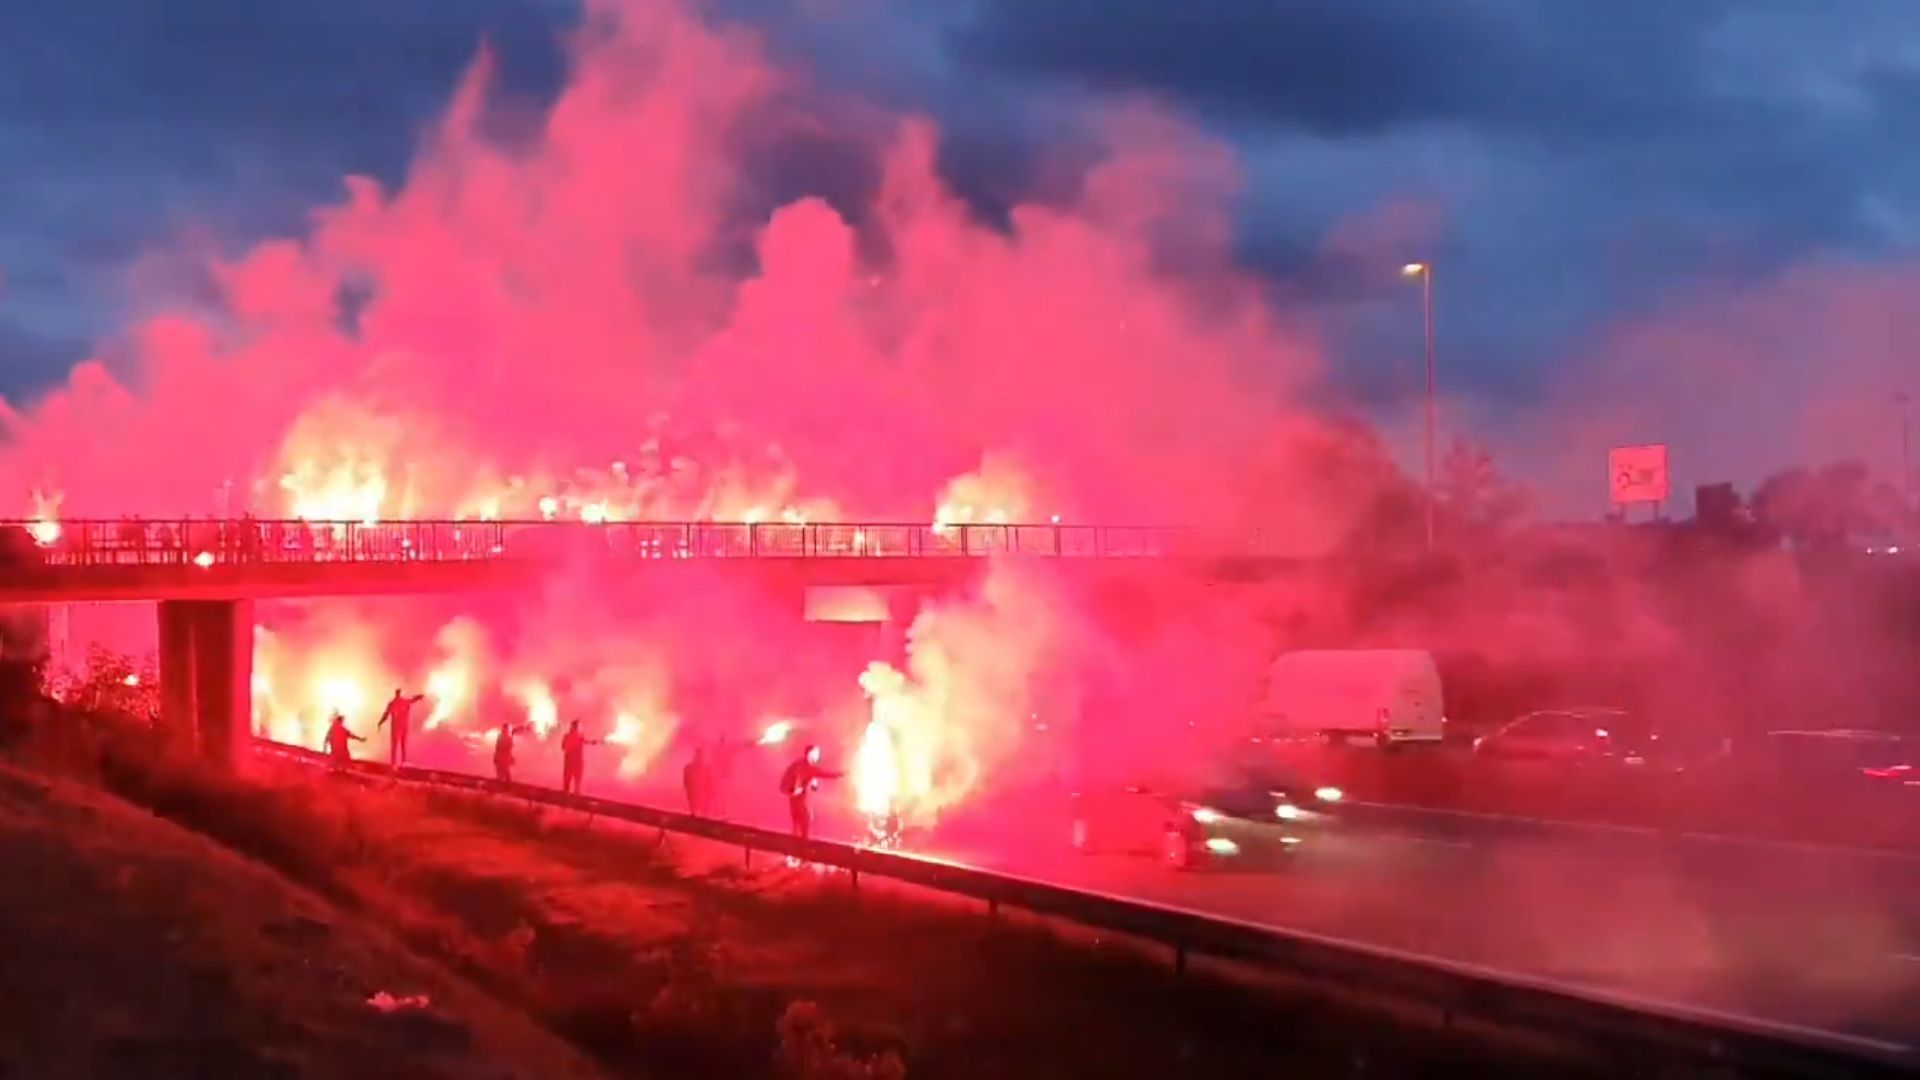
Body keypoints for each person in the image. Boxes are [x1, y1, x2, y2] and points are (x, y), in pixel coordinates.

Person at [778, 744, 842, 843]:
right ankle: (800, 853)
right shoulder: (803, 767)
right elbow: (824, 774)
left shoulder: (803, 766)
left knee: (799, 826)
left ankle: (796, 853)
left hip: (800, 803)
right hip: (799, 804)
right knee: (802, 827)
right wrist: (842, 774)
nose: (818, 756)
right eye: (816, 753)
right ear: (810, 754)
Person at [376, 689, 427, 769]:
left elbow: (386, 714)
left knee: (397, 745)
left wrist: (380, 722)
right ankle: (398, 763)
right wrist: (380, 722)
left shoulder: (394, 703)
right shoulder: (398, 702)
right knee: (400, 745)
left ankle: (397, 763)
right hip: (400, 726)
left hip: (399, 726)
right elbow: (413, 700)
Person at [560, 720, 601, 796]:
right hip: (574, 760)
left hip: (572, 760)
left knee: (572, 781)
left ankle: (571, 796)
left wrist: (593, 742)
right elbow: (563, 747)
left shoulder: (574, 736)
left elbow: (563, 747)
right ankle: (571, 796)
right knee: (572, 780)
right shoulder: (577, 737)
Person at [683, 746, 712, 817]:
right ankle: (694, 814)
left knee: (700, 808)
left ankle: (699, 815)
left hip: (701, 791)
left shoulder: (706, 768)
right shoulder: (688, 767)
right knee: (693, 805)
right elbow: (686, 780)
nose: (698, 757)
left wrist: (708, 791)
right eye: (697, 755)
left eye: (699, 755)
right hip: (693, 791)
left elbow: (709, 781)